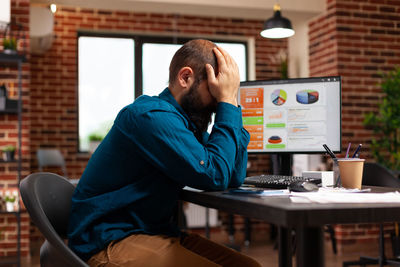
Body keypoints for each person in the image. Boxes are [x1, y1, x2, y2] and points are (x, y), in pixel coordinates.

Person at [68, 39, 260, 267]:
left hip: (155, 233)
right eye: (214, 89)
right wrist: (226, 103)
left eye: (224, 90)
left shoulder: (186, 124)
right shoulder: (151, 117)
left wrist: (231, 103)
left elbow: (231, 176)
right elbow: (215, 175)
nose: (217, 101)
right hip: (109, 240)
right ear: (185, 78)